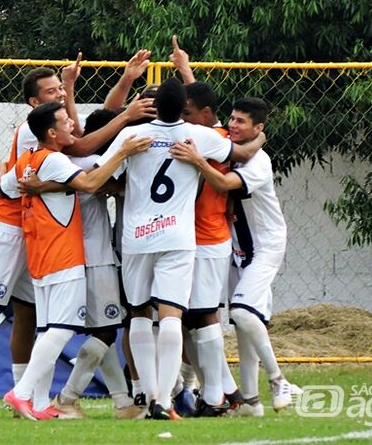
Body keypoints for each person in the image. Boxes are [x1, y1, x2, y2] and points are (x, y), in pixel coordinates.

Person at [0, 60, 154, 418]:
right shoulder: (43, 139)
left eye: (62, 91)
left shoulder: (48, 139)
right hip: (13, 231)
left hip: (35, 234)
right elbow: (81, 154)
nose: (63, 101)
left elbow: (23, 173)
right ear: (37, 107)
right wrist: (125, 122)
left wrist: (93, 84)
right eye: (54, 94)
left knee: (29, 314)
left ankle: (29, 398)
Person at [95, 77, 264, 420]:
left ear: (154, 107)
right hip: (178, 238)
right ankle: (163, 402)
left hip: (137, 238)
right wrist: (261, 134)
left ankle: (148, 394)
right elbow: (243, 152)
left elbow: (101, 174)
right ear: (184, 109)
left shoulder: (132, 136)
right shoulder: (198, 136)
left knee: (140, 315)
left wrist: (124, 184)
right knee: (172, 315)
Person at [0, 101, 152, 420]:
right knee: (84, 329)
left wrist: (36, 186)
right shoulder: (75, 160)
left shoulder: (33, 159)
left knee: (68, 329)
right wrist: (123, 151)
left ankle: (57, 403)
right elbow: (92, 183)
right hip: (79, 256)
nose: (73, 124)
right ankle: (42, 395)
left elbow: (3, 188)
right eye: (66, 121)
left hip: (45, 256)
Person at [169, 96, 297, 417]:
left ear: (258, 128)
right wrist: (183, 66)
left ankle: (277, 379)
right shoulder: (222, 140)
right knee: (229, 321)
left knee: (240, 313)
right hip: (233, 246)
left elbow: (226, 183)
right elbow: (202, 111)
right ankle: (250, 403)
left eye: (242, 121)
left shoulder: (259, 161)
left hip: (264, 246)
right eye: (232, 119)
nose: (233, 125)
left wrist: (198, 161)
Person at [170, 36, 244, 416]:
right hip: (193, 238)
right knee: (189, 318)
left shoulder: (212, 139)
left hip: (208, 237)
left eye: (187, 114)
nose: (182, 121)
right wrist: (185, 68)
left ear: (204, 113)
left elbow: (209, 122)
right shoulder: (209, 132)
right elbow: (201, 106)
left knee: (202, 315)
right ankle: (224, 392)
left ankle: (218, 396)